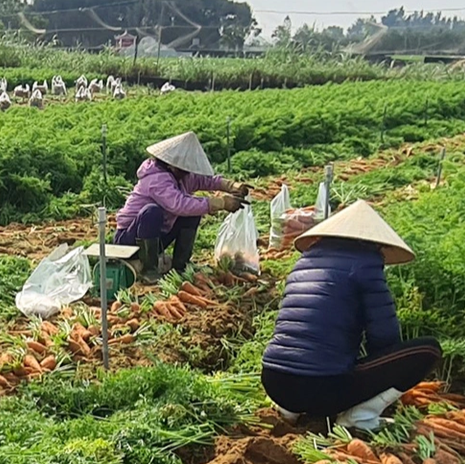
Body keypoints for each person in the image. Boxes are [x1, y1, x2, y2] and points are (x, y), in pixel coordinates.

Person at [260, 201, 440, 433]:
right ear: (373, 242)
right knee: (428, 350)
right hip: (320, 390)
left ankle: (289, 411)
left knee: (310, 351)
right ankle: (359, 417)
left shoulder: (304, 261)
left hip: (274, 381)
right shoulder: (366, 263)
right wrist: (375, 373)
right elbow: (385, 337)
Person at [114, 132, 247, 275]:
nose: (187, 173)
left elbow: (204, 180)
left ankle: (180, 265)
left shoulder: (179, 176)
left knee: (193, 213)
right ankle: (149, 271)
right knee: (152, 212)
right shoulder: (156, 179)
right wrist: (220, 203)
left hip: (155, 238)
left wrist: (231, 186)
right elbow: (179, 204)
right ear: (172, 165)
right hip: (129, 241)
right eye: (184, 169)